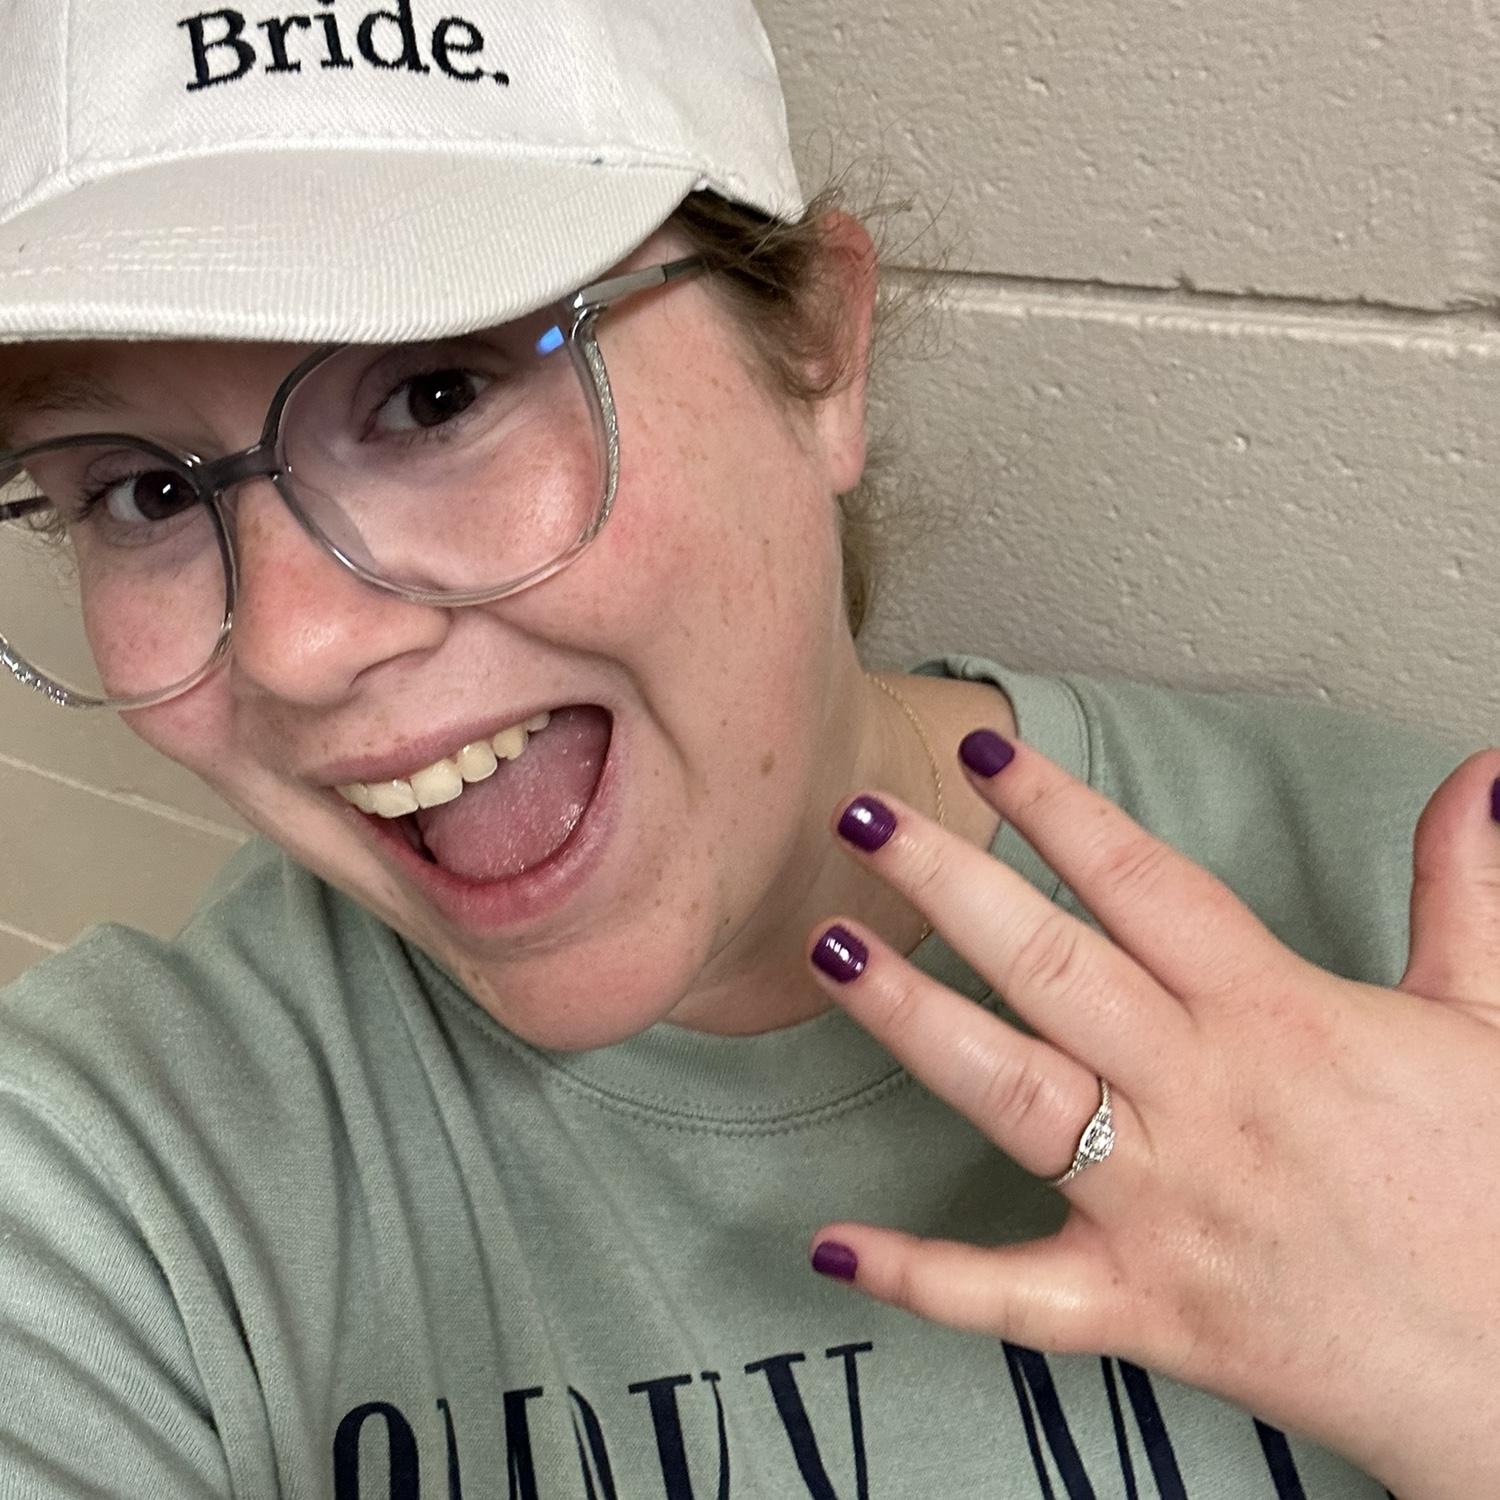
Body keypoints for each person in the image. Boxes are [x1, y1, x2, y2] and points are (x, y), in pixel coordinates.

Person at [1, 0, 1498, 1495]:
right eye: (137, 493)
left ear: (823, 352)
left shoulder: (1427, 933)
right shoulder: (106, 1193)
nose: (294, 645)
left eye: (436, 393)